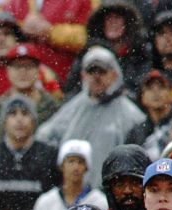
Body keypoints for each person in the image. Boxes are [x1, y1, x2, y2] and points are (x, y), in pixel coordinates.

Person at [37, 46, 145, 190]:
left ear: (114, 74)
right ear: (83, 75)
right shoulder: (72, 108)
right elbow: (44, 137)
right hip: (73, 194)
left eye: (102, 71)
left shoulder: (130, 114)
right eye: (91, 71)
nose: (96, 77)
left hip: (109, 194)